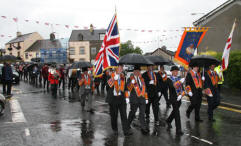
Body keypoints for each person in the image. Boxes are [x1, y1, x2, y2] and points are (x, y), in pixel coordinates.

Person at [106, 65, 132, 136]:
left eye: (122, 68)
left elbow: (125, 87)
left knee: (124, 115)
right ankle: (115, 129)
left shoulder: (123, 76)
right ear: (116, 68)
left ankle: (126, 131)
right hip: (113, 99)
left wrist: (127, 97)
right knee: (114, 116)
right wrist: (113, 79)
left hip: (121, 98)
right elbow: (107, 86)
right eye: (120, 68)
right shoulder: (110, 75)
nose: (121, 69)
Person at [127, 66, 149, 134]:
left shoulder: (142, 79)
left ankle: (143, 128)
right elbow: (128, 88)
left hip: (142, 99)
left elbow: (145, 89)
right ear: (133, 72)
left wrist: (146, 98)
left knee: (142, 113)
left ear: (140, 72)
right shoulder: (130, 79)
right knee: (132, 113)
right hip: (134, 99)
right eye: (135, 71)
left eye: (138, 71)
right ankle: (127, 125)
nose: (137, 72)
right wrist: (131, 83)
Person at [166, 66, 185, 135]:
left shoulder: (179, 78)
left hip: (179, 98)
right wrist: (180, 82)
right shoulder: (169, 79)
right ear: (171, 72)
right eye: (174, 71)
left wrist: (181, 95)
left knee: (175, 111)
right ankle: (178, 130)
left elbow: (182, 89)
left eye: (177, 71)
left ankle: (168, 120)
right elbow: (173, 86)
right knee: (177, 113)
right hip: (173, 98)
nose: (176, 72)